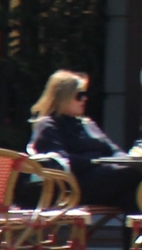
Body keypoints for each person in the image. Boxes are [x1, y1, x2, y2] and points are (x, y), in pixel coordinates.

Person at [25, 70, 128, 208]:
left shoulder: (88, 123)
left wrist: (126, 161)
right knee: (131, 175)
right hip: (72, 187)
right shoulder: (48, 124)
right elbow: (59, 159)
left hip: (104, 180)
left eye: (85, 95)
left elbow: (114, 150)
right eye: (80, 95)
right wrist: (97, 162)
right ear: (63, 97)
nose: (85, 99)